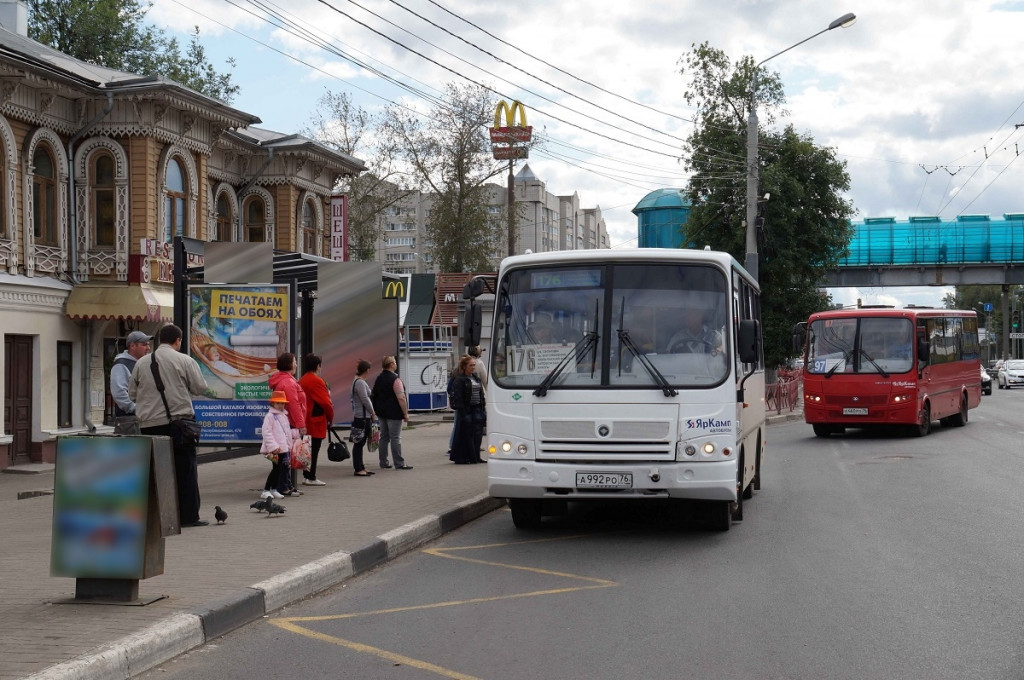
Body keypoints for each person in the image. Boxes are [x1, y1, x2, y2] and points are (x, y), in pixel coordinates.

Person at [129, 324, 210, 527]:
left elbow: (132, 394)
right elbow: (200, 387)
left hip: (149, 426)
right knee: (186, 471)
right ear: (178, 341)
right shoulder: (185, 360)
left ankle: (153, 518)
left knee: (154, 473)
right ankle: (188, 517)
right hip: (180, 425)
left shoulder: (141, 363)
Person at [268, 352, 307, 495]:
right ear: (289, 364)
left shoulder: (282, 380)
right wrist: (301, 425)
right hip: (288, 424)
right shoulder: (289, 382)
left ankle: (285, 485)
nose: (296, 364)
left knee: (285, 457)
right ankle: (283, 487)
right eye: (295, 361)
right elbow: (294, 405)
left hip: (284, 423)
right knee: (286, 458)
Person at [370, 355, 412, 470]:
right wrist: (405, 413)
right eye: (394, 362)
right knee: (395, 438)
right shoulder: (395, 379)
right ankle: (399, 463)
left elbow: (374, 394)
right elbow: (401, 398)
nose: (396, 364)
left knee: (384, 437)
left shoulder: (379, 378)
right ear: (391, 365)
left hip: (381, 412)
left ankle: (383, 462)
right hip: (394, 413)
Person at [298, 353, 333, 486]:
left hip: (305, 419)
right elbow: (326, 403)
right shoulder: (317, 381)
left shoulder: (302, 379)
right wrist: (331, 418)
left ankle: (306, 475)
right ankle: (311, 476)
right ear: (318, 366)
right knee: (314, 450)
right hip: (315, 420)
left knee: (307, 449)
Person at [449, 354, 487, 464]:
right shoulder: (460, 380)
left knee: (478, 434)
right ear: (465, 366)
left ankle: (476, 456)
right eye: (471, 365)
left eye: (474, 365)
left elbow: (481, 393)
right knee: (467, 434)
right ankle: (466, 457)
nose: (473, 367)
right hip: (467, 409)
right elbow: (458, 396)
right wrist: (463, 411)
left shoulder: (476, 378)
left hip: (477, 408)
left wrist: (483, 407)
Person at [110, 330, 150, 432]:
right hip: (129, 421)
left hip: (142, 419)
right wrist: (135, 408)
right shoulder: (121, 365)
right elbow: (119, 392)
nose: (148, 348)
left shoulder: (141, 364)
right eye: (144, 345)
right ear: (132, 346)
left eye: (148, 345)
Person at [259, 390, 295, 500]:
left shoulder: (283, 416)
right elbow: (266, 432)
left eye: (282, 403)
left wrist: (295, 434)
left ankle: (274, 489)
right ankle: (266, 490)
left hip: (282, 449)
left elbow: (286, 432)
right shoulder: (270, 416)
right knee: (275, 470)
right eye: (278, 403)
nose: (281, 405)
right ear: (272, 403)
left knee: (279, 470)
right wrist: (273, 446)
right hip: (275, 449)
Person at [349, 359, 376, 477]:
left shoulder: (360, 381)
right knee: (359, 442)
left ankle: (361, 466)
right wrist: (372, 412)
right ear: (367, 370)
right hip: (362, 417)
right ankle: (358, 468)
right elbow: (365, 399)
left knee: (361, 442)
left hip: (362, 416)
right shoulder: (359, 382)